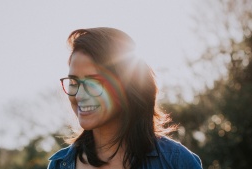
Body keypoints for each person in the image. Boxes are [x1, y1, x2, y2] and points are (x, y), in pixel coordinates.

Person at [48, 27, 202, 169]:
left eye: (93, 82)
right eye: (74, 82)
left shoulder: (176, 161)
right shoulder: (59, 165)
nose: (79, 95)